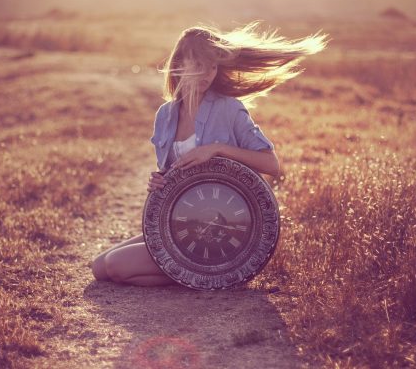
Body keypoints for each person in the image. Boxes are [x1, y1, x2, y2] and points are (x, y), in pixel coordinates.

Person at [90, 21, 328, 286]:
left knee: (116, 265)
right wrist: (159, 182)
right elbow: (174, 175)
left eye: (213, 66)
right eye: (200, 65)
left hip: (221, 229)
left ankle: (204, 273)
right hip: (183, 226)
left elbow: (271, 164)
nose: (207, 74)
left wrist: (216, 149)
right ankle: (192, 276)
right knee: (99, 267)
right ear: (181, 62)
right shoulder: (165, 115)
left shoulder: (229, 109)